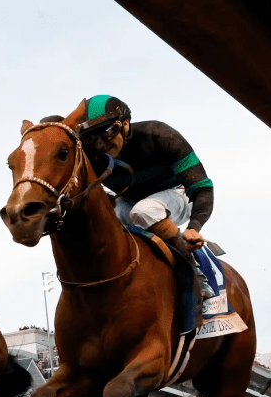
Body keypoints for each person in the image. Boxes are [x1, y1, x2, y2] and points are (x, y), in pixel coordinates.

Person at [74, 95, 216, 299]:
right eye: (91, 137)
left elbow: (202, 186)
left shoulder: (159, 135)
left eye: (108, 132)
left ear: (125, 124)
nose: (101, 143)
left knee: (144, 211)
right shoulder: (91, 155)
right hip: (130, 200)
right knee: (107, 218)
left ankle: (196, 275)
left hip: (177, 194)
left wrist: (194, 227)